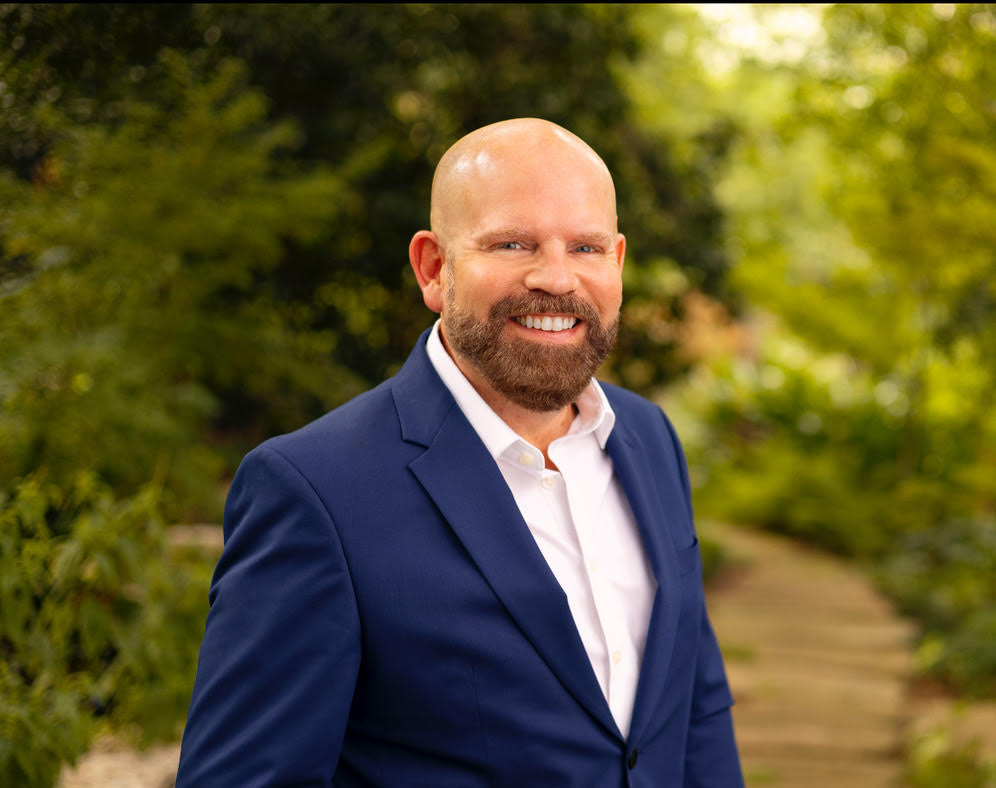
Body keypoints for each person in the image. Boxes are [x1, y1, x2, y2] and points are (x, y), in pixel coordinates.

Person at [176, 118, 743, 786]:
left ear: (617, 262)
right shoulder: (315, 490)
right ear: (434, 267)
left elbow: (694, 706)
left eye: (585, 247)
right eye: (513, 242)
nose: (556, 278)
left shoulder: (648, 439)